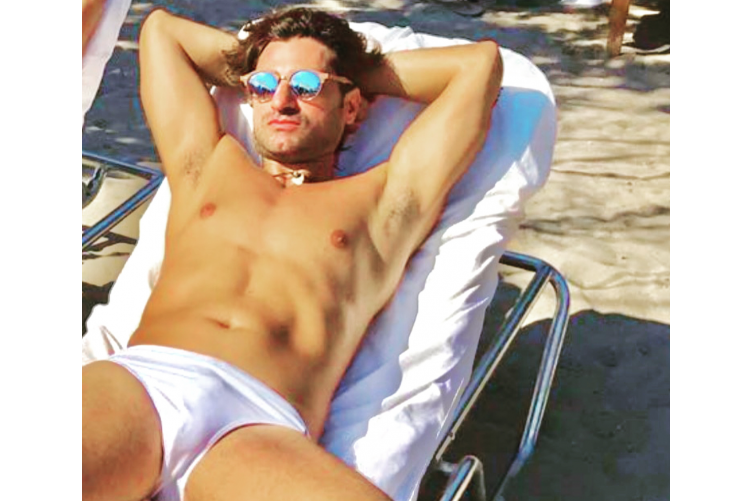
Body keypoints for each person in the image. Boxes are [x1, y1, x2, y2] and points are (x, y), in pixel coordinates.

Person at [82, 6, 502, 501]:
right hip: (146, 385)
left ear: (353, 108)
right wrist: (282, 71)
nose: (281, 101)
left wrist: (347, 72)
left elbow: (479, 66)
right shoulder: (205, 166)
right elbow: (161, 33)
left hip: (260, 427)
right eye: (263, 87)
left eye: (304, 87)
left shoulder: (385, 202)